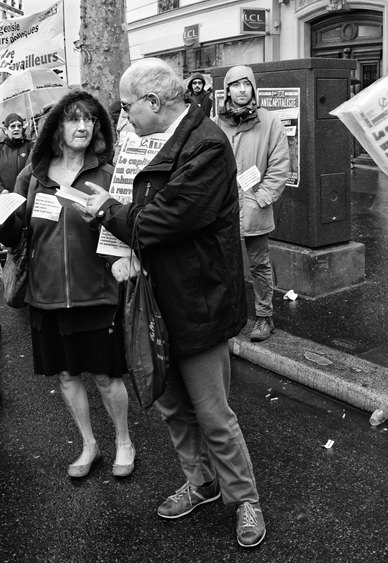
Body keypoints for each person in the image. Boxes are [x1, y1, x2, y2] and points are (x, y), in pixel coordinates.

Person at [75, 58, 264, 548]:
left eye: (126, 106)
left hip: (197, 301)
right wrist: (123, 249)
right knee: (172, 406)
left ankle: (244, 498)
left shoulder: (205, 144)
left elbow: (160, 220)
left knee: (212, 412)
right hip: (155, 299)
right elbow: (145, 217)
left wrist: (107, 212)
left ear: (154, 102)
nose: (123, 117)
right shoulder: (158, 138)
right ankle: (200, 483)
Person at [0, 91, 135, 479]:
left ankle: (124, 440)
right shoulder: (34, 175)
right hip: (46, 293)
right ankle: (89, 444)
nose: (82, 126)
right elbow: (20, 233)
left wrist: (111, 234)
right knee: (66, 374)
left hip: (96, 290)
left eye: (89, 119)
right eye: (73, 119)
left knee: (107, 375)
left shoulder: (108, 173)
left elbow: (127, 232)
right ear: (56, 126)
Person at [215, 65, 290, 342]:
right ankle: (228, 316)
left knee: (259, 264)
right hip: (222, 210)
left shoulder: (270, 122)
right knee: (224, 264)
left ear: (254, 88)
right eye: (236, 85)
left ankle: (264, 316)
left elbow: (280, 167)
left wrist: (261, 198)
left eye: (246, 84)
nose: (242, 90)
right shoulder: (215, 123)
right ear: (228, 91)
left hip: (254, 206)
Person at [0, 113, 34, 193]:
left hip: (28, 197)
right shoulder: (1, 149)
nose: (16, 129)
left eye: (19, 126)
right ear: (5, 130)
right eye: (12, 126)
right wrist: (1, 190)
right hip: (7, 199)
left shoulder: (31, 146)